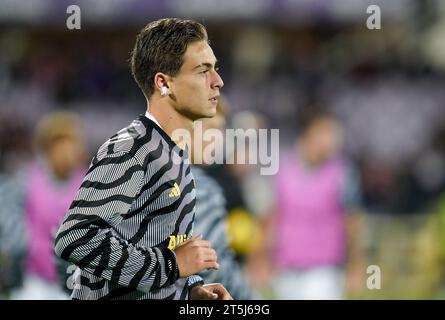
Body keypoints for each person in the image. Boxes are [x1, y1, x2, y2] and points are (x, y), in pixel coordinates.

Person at [54, 18, 232, 300]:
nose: (217, 81)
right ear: (163, 83)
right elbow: (76, 237)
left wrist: (189, 289)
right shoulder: (131, 148)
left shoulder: (174, 152)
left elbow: (156, 245)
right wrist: (171, 266)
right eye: (202, 71)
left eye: (215, 69)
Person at [263, 110, 364, 300]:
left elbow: (352, 221)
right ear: (308, 133)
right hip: (286, 268)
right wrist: (262, 257)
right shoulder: (282, 169)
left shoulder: (343, 173)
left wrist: (355, 263)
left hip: (325, 269)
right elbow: (273, 215)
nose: (332, 140)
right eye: (325, 132)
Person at [0, 111, 87, 299]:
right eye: (60, 144)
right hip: (33, 281)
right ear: (47, 148)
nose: (66, 151)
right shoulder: (27, 180)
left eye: (71, 144)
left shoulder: (88, 184)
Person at [190, 98, 255, 299]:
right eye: (210, 129)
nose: (217, 140)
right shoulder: (204, 188)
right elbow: (215, 267)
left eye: (220, 131)